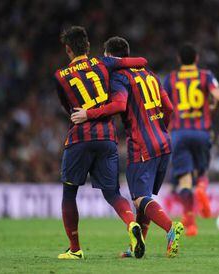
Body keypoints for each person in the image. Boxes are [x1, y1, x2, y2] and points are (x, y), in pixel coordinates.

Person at [71, 36, 184, 258]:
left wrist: (89, 114)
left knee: (139, 198)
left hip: (142, 144)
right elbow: (168, 107)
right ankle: (136, 247)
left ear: (109, 55)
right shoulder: (149, 74)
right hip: (163, 141)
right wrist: (160, 128)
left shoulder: (119, 77)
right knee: (145, 198)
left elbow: (120, 104)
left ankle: (171, 228)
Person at [53, 26, 148, 259]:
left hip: (80, 138)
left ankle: (75, 249)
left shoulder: (60, 76)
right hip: (107, 137)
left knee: (69, 193)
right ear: (87, 46)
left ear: (67, 50)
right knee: (112, 193)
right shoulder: (104, 63)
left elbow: (69, 109)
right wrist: (118, 61)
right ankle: (131, 224)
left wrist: (83, 113)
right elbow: (142, 61)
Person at [163, 43, 219, 236]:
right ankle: (202, 188)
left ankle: (190, 223)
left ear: (179, 60)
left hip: (180, 133)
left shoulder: (171, 78)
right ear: (196, 59)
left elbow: (164, 104)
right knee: (202, 170)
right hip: (201, 130)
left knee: (184, 179)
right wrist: (213, 111)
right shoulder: (205, 76)